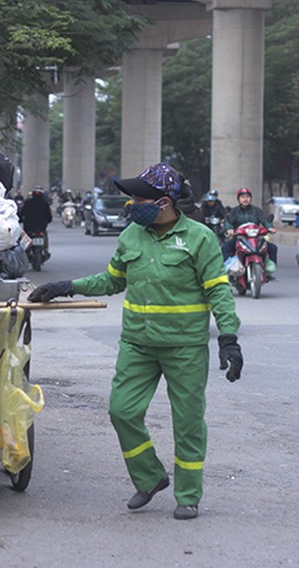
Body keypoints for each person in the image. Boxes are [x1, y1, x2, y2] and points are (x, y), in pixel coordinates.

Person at [28, 162, 243, 521]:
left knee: (188, 421)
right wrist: (67, 288)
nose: (132, 204)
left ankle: (188, 495)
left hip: (184, 347)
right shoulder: (131, 236)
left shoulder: (199, 238)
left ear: (163, 202)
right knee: (122, 410)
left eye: (139, 198)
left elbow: (219, 291)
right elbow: (111, 280)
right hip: (138, 344)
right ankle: (150, 477)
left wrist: (229, 338)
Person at [221, 187, 278, 275]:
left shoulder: (257, 210)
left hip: (256, 238)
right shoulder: (234, 211)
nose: (245, 199)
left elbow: (265, 220)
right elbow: (228, 222)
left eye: (247, 197)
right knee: (225, 248)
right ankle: (228, 269)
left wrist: (270, 227)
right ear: (239, 199)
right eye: (243, 197)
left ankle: (268, 271)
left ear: (250, 199)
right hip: (240, 238)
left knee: (272, 248)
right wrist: (229, 229)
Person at [21, 187, 53, 256]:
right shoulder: (45, 204)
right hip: (41, 227)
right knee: (45, 236)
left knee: (25, 238)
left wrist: (20, 219)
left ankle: (25, 250)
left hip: (29, 227)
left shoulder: (28, 203)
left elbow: (22, 213)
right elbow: (49, 216)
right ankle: (46, 250)